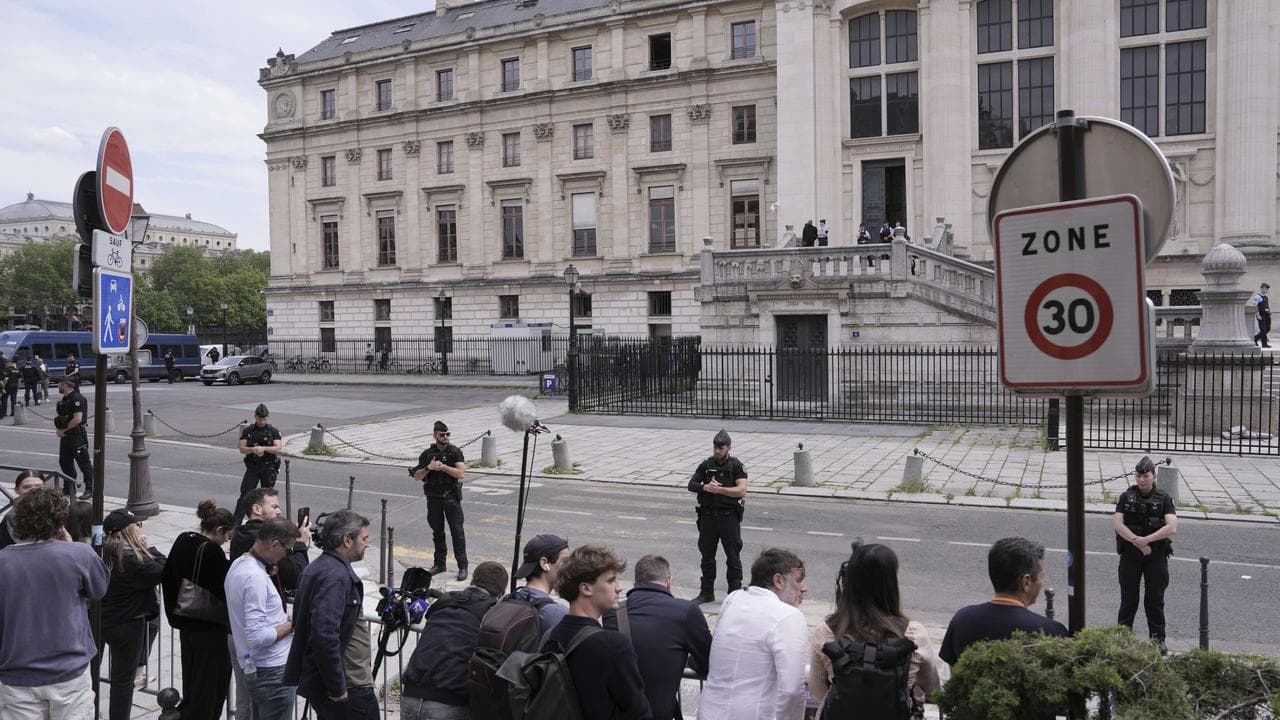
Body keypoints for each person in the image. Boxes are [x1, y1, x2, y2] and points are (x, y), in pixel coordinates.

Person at [0, 487, 109, 714]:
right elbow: (99, 589)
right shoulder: (78, 554)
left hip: (16, 671)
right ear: (60, 522)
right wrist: (70, 545)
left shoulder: (3, 561)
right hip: (69, 670)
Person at [808, 542, 940, 718]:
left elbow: (817, 690)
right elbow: (932, 688)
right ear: (891, 584)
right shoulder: (912, 634)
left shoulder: (826, 632)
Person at [697, 548, 808, 720]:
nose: (804, 588)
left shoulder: (733, 599)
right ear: (778, 580)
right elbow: (791, 689)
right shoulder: (789, 616)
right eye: (799, 580)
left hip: (709, 712)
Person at [546, 544, 651, 720]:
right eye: (611, 580)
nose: (619, 588)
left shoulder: (550, 636)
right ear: (586, 588)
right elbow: (638, 712)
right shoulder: (613, 645)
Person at [603, 555, 712, 720]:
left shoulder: (613, 613)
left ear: (635, 583)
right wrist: (689, 662)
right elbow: (709, 661)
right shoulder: (686, 612)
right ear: (668, 582)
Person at [284, 509, 369, 719]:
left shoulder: (319, 567)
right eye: (364, 538)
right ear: (347, 540)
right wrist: (337, 687)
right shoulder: (336, 576)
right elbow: (324, 634)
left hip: (332, 682)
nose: (367, 543)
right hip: (348, 685)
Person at [400, 561, 509, 720]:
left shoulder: (445, 601)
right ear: (501, 592)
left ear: (472, 580)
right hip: (449, 701)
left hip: (410, 695)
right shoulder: (492, 613)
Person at [939, 537, 1068, 667]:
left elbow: (955, 679)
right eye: (1042, 577)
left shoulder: (962, 620)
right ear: (1026, 582)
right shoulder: (1051, 632)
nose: (1042, 584)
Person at [161, 499, 236, 720]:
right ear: (220, 530)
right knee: (210, 687)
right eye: (227, 536)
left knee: (192, 680)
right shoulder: (212, 551)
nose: (226, 541)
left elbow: (167, 575)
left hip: (186, 621)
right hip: (209, 627)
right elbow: (223, 587)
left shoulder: (184, 538)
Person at [227, 517, 302, 720]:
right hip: (271, 671)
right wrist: (291, 625)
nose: (287, 556)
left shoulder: (238, 565)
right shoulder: (255, 578)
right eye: (287, 551)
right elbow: (258, 636)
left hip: (258, 668)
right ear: (274, 544)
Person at [101, 509, 166, 720]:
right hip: (127, 624)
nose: (141, 528)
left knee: (92, 671)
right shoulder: (132, 557)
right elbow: (163, 569)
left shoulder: (102, 550)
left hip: (100, 618)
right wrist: (149, 548)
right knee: (122, 680)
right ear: (128, 531)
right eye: (137, 525)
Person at [1114, 456, 1178, 655]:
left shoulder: (1164, 498)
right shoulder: (1126, 497)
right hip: (1131, 555)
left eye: (1146, 476)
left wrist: (1147, 540)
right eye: (1139, 475)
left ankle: (1158, 640)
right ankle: (1123, 639)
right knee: (1128, 599)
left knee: (1155, 600)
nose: (1141, 480)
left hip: (1156, 556)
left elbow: (1172, 527)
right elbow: (1118, 524)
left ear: (1154, 476)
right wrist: (1137, 542)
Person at [687, 429, 747, 604]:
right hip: (708, 518)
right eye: (715, 447)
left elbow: (742, 490)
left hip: (729, 517)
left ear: (729, 448)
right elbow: (691, 484)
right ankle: (706, 592)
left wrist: (720, 490)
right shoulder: (706, 465)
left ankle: (734, 595)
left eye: (721, 448)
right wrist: (706, 487)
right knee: (707, 556)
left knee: (733, 557)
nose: (717, 451)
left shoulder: (736, 466)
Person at [412, 420, 468, 581]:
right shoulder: (427, 454)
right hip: (434, 497)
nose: (445, 437)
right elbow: (417, 476)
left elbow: (460, 473)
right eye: (442, 435)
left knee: (457, 533)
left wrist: (443, 467)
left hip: (451, 497)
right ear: (435, 435)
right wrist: (429, 468)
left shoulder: (454, 452)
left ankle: (462, 566)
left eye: (447, 434)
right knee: (437, 532)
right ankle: (439, 564)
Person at [229, 487, 311, 592]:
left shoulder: (240, 534)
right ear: (257, 509)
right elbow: (297, 576)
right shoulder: (266, 541)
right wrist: (300, 543)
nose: (279, 511)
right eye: (274, 507)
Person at [512, 532, 571, 632]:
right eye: (565, 562)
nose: (570, 567)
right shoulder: (557, 613)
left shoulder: (504, 601)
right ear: (544, 563)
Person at [235, 404, 283, 525]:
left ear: (267, 418)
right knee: (245, 495)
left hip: (268, 467)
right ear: (255, 417)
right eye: (259, 419)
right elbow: (242, 448)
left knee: (268, 497)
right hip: (253, 468)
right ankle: (235, 525)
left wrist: (264, 448)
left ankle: (269, 524)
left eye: (264, 419)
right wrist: (253, 450)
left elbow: (278, 448)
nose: (261, 421)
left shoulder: (272, 431)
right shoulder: (249, 431)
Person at [54, 376, 94, 500]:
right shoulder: (64, 399)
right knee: (65, 462)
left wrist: (63, 430)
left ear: (65, 385)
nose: (58, 386)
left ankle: (89, 489)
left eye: (59, 384)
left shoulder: (77, 398)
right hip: (66, 437)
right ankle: (69, 488)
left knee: (84, 463)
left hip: (77, 436)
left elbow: (78, 419)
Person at [0, 471, 44, 550]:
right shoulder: (12, 518)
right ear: (16, 490)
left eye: (39, 486)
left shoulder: (55, 510)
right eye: (26, 487)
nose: (33, 490)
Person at [1252, 282, 1271, 348]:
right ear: (1261, 288)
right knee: (1263, 330)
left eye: (1267, 289)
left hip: (1267, 315)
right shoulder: (1257, 296)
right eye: (1265, 289)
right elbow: (1255, 306)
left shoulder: (1266, 296)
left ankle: (1255, 338)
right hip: (1261, 316)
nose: (1266, 290)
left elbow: (1266, 305)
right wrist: (1257, 315)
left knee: (1267, 329)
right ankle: (1264, 344)